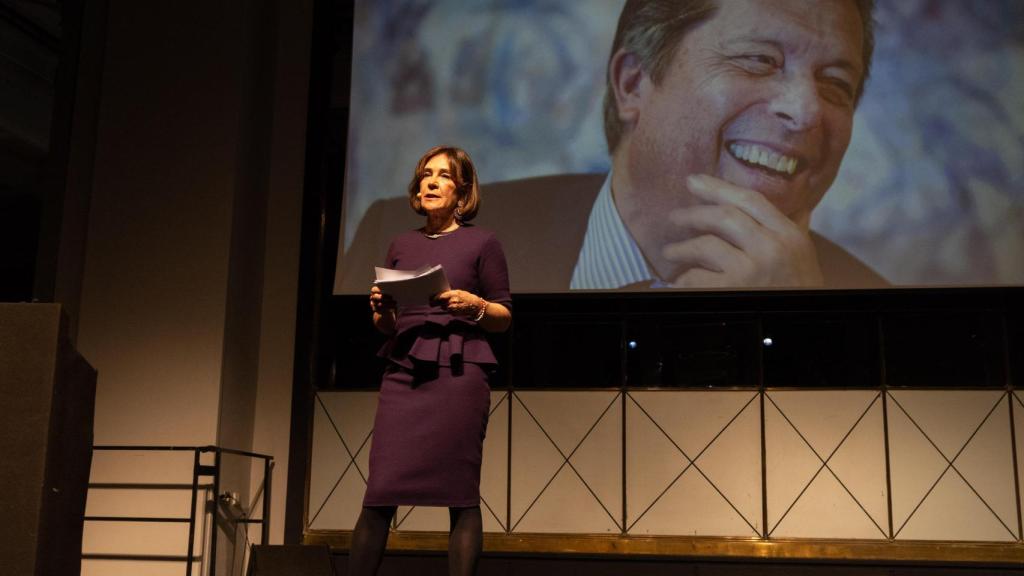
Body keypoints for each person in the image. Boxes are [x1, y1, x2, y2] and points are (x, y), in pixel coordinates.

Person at [338, 0, 886, 292]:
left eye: (836, 83)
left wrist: (804, 325)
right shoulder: (411, 243)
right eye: (759, 60)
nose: (808, 109)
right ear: (633, 84)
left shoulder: (872, 303)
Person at [348, 146, 512, 576]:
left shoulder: (483, 242)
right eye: (425, 174)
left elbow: (503, 316)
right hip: (404, 375)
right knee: (379, 492)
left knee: (460, 493)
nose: (431, 181)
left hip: (459, 375)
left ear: (462, 191)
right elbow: (389, 326)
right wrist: (381, 309)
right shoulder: (401, 243)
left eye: (443, 175)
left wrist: (472, 305)